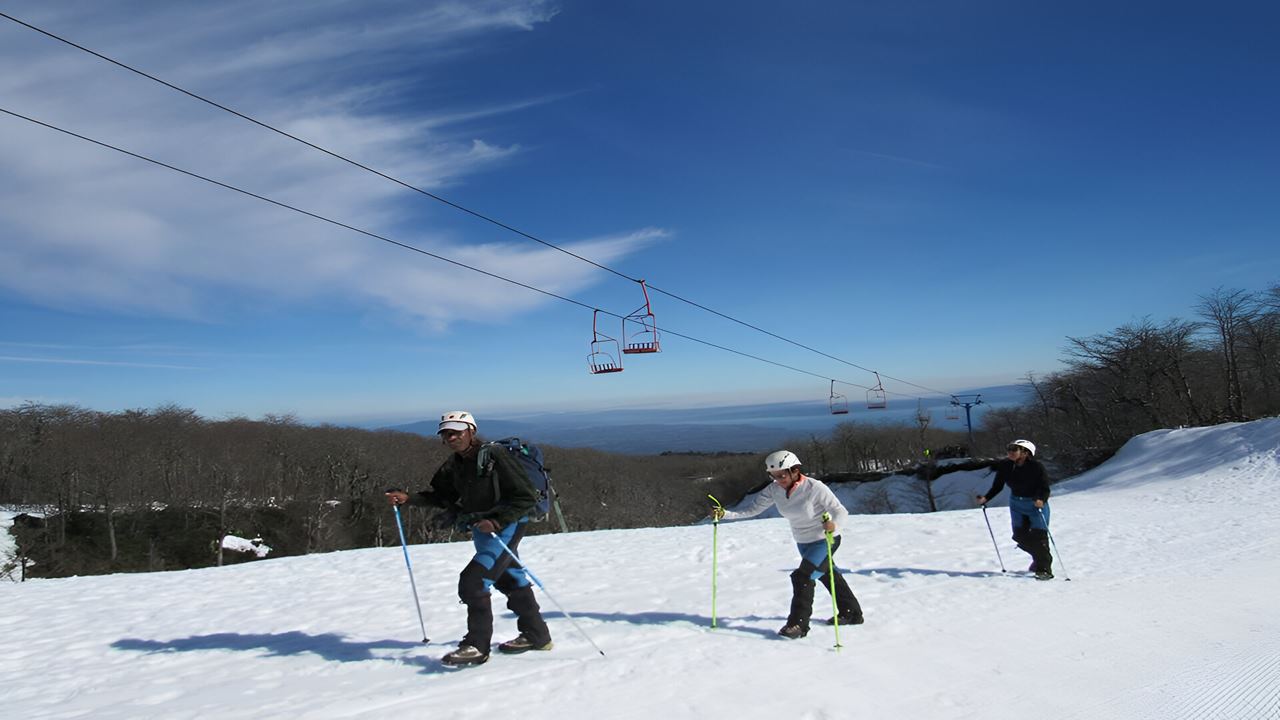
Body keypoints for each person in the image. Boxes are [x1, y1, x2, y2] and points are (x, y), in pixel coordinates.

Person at [386, 410, 552, 666]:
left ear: (471, 431)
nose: (451, 437)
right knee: (510, 577)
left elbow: (526, 496)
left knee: (473, 582)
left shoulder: (494, 456)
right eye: (446, 433)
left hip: (506, 525)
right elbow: (441, 496)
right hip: (483, 527)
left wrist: (497, 520)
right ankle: (537, 635)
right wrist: (409, 499)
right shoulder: (455, 464)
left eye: (456, 432)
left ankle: (476, 645)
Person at [714, 450, 864, 638]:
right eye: (773, 476)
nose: (778, 480)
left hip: (825, 539)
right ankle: (852, 613)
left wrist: (833, 525)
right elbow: (752, 510)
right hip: (803, 542)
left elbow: (840, 511)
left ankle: (798, 625)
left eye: (782, 475)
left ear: (795, 470)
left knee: (802, 577)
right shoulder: (773, 489)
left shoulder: (814, 487)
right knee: (827, 574)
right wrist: (725, 514)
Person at [976, 438, 1054, 580]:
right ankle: (1039, 558)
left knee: (1039, 538)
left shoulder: (1036, 467)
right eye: (1009, 449)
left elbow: (1044, 487)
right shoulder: (1006, 466)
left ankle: (1044, 569)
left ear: (1025, 452)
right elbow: (998, 486)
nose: (1010, 452)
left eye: (1014, 449)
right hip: (1016, 504)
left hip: (1034, 504)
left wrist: (1040, 499)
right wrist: (986, 498)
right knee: (1019, 536)